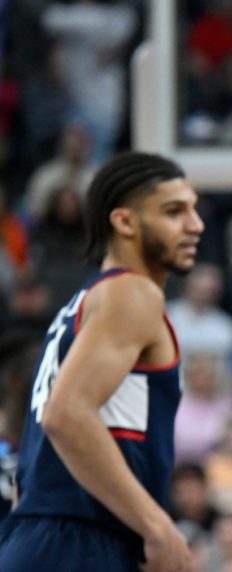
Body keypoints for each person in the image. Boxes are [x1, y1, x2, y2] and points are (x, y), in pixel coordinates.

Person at [0, 152, 204, 571]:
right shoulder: (132, 293)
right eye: (174, 211)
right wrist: (157, 526)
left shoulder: (80, 306)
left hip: (43, 534)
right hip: (79, 539)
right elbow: (66, 413)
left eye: (194, 209)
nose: (196, 224)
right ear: (125, 222)